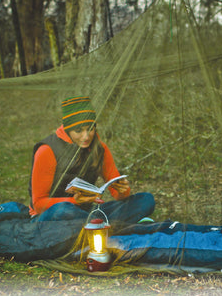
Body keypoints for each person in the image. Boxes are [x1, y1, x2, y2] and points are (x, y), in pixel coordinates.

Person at [28, 96, 155, 224]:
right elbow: (38, 204)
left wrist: (123, 190)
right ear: (67, 130)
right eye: (78, 131)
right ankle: (105, 223)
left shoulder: (99, 148)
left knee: (146, 199)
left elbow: (117, 194)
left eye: (90, 129)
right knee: (66, 211)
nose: (86, 136)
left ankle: (97, 223)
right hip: (50, 216)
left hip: (86, 212)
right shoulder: (47, 150)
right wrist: (74, 202)